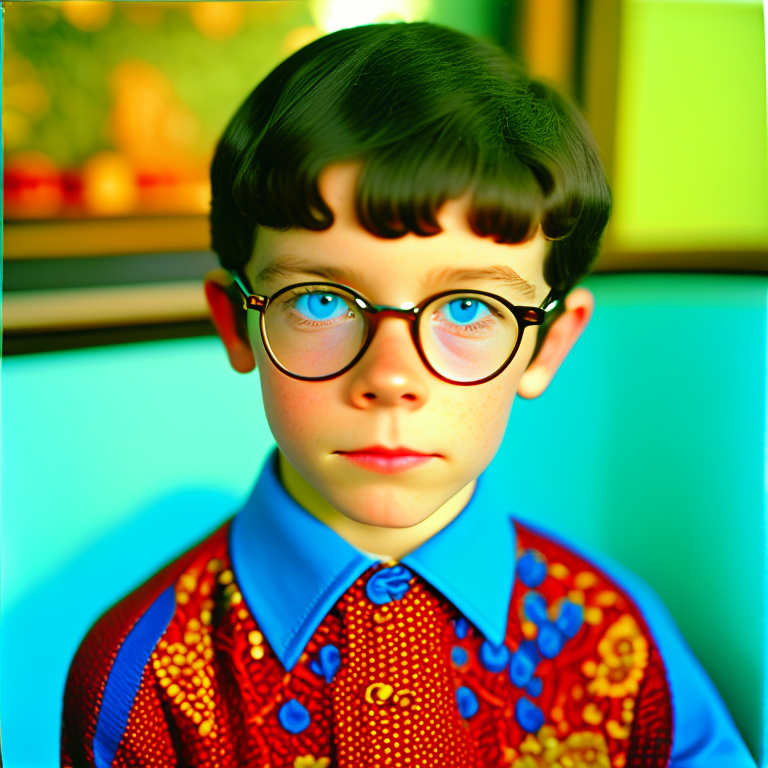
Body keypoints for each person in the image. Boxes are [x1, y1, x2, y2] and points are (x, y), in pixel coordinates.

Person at [61, 22, 755, 768]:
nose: (391, 377)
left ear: (548, 344)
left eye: (467, 308)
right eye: (322, 301)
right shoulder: (140, 682)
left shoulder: (621, 641)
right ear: (238, 324)